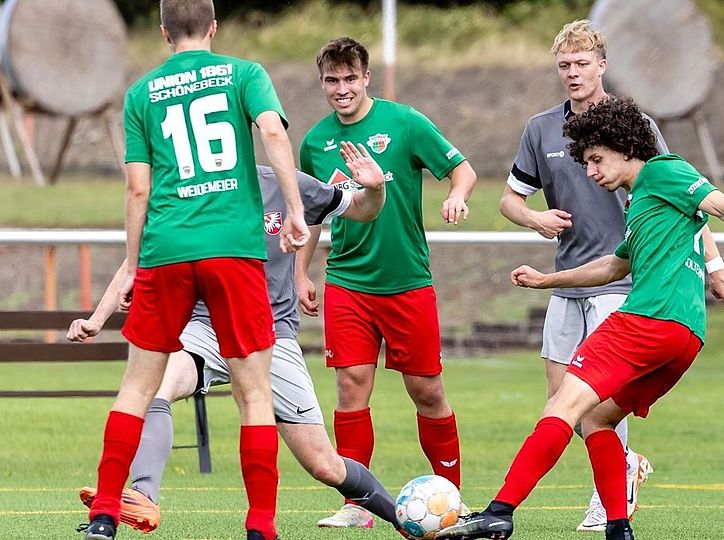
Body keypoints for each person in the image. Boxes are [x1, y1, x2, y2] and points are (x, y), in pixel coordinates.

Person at [435, 95, 724, 540]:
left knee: (562, 404)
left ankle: (500, 510)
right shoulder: (641, 201)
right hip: (684, 338)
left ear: (624, 146)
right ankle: (618, 527)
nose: (591, 172)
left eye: (596, 160)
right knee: (598, 419)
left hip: (645, 320)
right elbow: (616, 266)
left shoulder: (663, 171)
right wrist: (546, 280)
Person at [70, 157, 408, 536]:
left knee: (323, 464)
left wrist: (375, 188)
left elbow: (362, 210)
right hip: (205, 327)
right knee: (155, 387)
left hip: (270, 335)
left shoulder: (286, 184)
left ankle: (402, 518)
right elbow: (137, 257)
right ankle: (143, 496)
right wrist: (96, 319)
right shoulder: (189, 190)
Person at [499, 20, 724, 532]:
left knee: (589, 401)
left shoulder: (636, 128)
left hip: (629, 290)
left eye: (581, 63)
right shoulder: (542, 128)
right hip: (575, 275)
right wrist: (535, 220)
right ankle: (614, 493)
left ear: (602, 64)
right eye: (563, 65)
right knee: (566, 401)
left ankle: (573, 503)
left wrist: (715, 266)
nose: (572, 73)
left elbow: (691, 202)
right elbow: (509, 200)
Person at [78, 2, 310, 539]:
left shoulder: (140, 94)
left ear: (162, 32)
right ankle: (261, 526)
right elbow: (273, 135)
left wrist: (136, 264)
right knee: (253, 393)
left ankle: (106, 514)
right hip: (233, 248)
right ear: (213, 26)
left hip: (167, 247)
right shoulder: (246, 74)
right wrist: (295, 209)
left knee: (137, 386)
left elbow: (138, 187)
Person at [296, 36, 478, 529]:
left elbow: (463, 171)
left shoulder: (404, 122)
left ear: (366, 77)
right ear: (322, 83)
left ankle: (450, 499)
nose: (341, 89)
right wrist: (300, 272)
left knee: (427, 391)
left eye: (349, 78)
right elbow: (310, 214)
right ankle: (357, 504)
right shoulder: (315, 142)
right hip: (347, 282)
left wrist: (456, 196)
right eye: (332, 80)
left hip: (406, 282)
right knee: (351, 386)